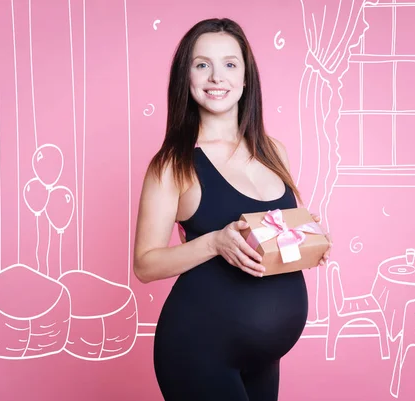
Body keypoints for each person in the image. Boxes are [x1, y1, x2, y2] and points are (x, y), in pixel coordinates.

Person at [133, 17, 332, 401]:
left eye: (229, 64)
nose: (215, 77)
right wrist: (214, 243)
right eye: (201, 64)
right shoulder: (173, 164)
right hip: (198, 348)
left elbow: (276, 238)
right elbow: (144, 264)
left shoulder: (274, 152)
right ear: (186, 78)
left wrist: (308, 240)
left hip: (264, 356)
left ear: (245, 78)